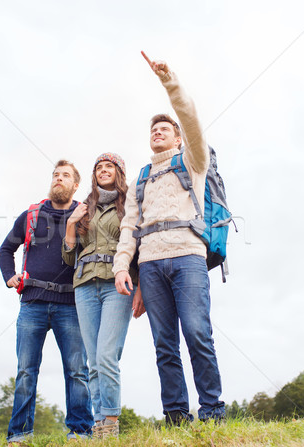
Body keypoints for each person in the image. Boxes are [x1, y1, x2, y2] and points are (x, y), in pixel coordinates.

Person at [113, 52, 226, 425]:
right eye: (153, 130)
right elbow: (130, 225)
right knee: (164, 345)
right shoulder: (141, 177)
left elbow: (191, 119)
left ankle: (212, 411)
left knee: (197, 332)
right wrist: (120, 268)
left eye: (165, 129)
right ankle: (176, 416)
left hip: (188, 256)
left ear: (179, 138)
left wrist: (169, 81)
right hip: (150, 264)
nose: (157, 132)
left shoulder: (193, 161)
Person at [0, 160, 93, 444]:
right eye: (55, 175)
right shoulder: (31, 215)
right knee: (26, 371)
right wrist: (8, 276)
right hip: (32, 303)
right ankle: (19, 434)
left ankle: (80, 432)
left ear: (76, 185)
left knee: (77, 370)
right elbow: (6, 249)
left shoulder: (84, 215)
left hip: (71, 304)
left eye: (65, 176)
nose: (59, 179)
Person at [61, 153, 142, 439]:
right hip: (84, 286)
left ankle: (110, 421)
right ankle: (99, 425)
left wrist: (140, 286)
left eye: (109, 166)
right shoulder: (85, 207)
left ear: (119, 172)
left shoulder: (130, 205)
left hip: (116, 285)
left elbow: (138, 247)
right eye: (99, 167)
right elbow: (69, 258)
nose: (103, 170)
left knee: (107, 355)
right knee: (93, 360)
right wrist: (71, 224)